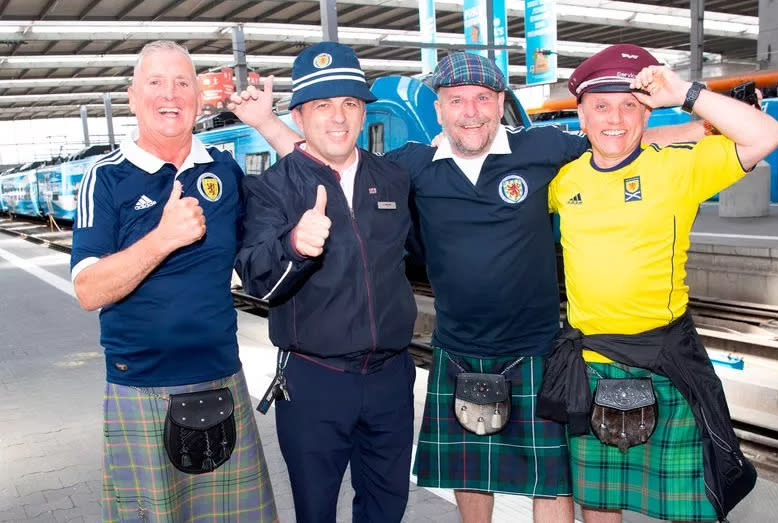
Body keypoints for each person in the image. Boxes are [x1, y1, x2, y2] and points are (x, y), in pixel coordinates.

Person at [228, 50, 700, 523]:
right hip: (454, 349)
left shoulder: (539, 149)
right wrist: (267, 126)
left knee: (546, 479)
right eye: (456, 100)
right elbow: (328, 154)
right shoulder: (410, 164)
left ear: (499, 103)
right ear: (438, 109)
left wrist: (694, 124)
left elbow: (612, 143)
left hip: (536, 348)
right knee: (464, 479)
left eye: (481, 99)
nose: (469, 112)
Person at [538, 44, 778, 523]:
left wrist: (685, 93)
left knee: (688, 508)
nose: (615, 118)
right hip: (590, 364)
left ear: (646, 114)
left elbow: (767, 133)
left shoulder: (678, 167)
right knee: (599, 503)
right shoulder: (562, 181)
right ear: (581, 118)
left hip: (665, 359)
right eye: (601, 106)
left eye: (630, 105)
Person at [70, 40, 277, 522]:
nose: (171, 94)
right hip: (139, 389)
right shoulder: (104, 178)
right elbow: (87, 290)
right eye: (156, 82)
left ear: (199, 98)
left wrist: (267, 124)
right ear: (132, 96)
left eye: (183, 82)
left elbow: (269, 239)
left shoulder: (223, 169)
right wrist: (162, 239)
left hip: (221, 376)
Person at [233, 41, 418, 523]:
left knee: (386, 507)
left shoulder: (394, 178)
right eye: (322, 106)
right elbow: (257, 281)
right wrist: (294, 246)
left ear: (362, 113)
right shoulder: (271, 188)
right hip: (314, 383)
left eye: (350, 104)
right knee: (315, 511)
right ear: (298, 115)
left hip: (390, 380)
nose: (338, 118)